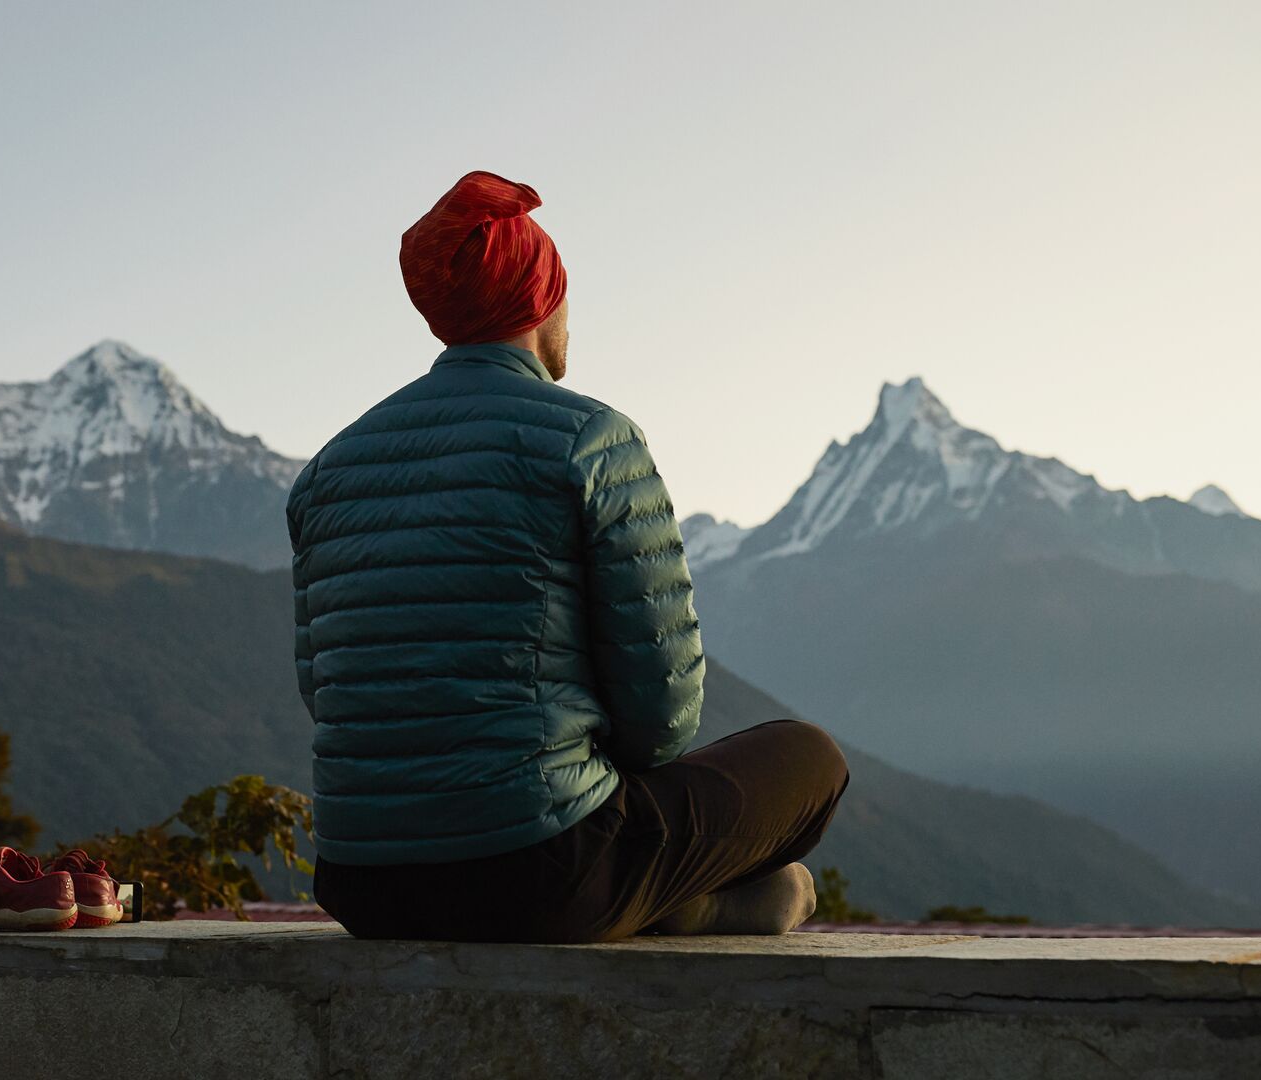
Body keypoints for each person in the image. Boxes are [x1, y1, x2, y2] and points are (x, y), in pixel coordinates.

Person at [286, 171, 848, 943]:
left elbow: (325, 688)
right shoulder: (591, 439)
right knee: (809, 757)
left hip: (361, 883)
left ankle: (657, 901)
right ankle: (695, 902)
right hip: (540, 867)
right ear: (541, 300)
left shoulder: (327, 472)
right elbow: (662, 716)